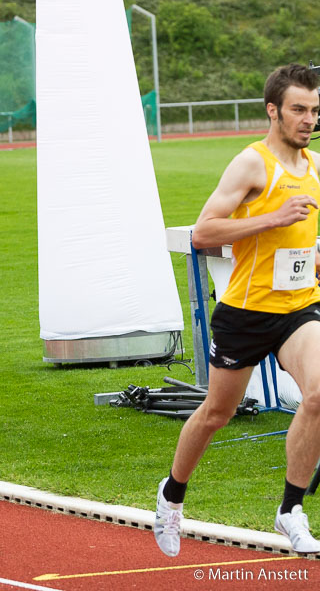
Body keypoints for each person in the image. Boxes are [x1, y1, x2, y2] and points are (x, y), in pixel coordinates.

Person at [154, 64, 320, 557]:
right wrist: (272, 217)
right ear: (273, 110)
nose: (308, 119)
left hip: (299, 308)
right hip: (245, 314)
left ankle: (290, 508)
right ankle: (172, 496)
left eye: (314, 110)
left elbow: (303, 239)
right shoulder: (251, 165)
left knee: (318, 394)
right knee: (215, 414)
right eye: (298, 109)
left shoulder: (315, 168)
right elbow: (202, 234)